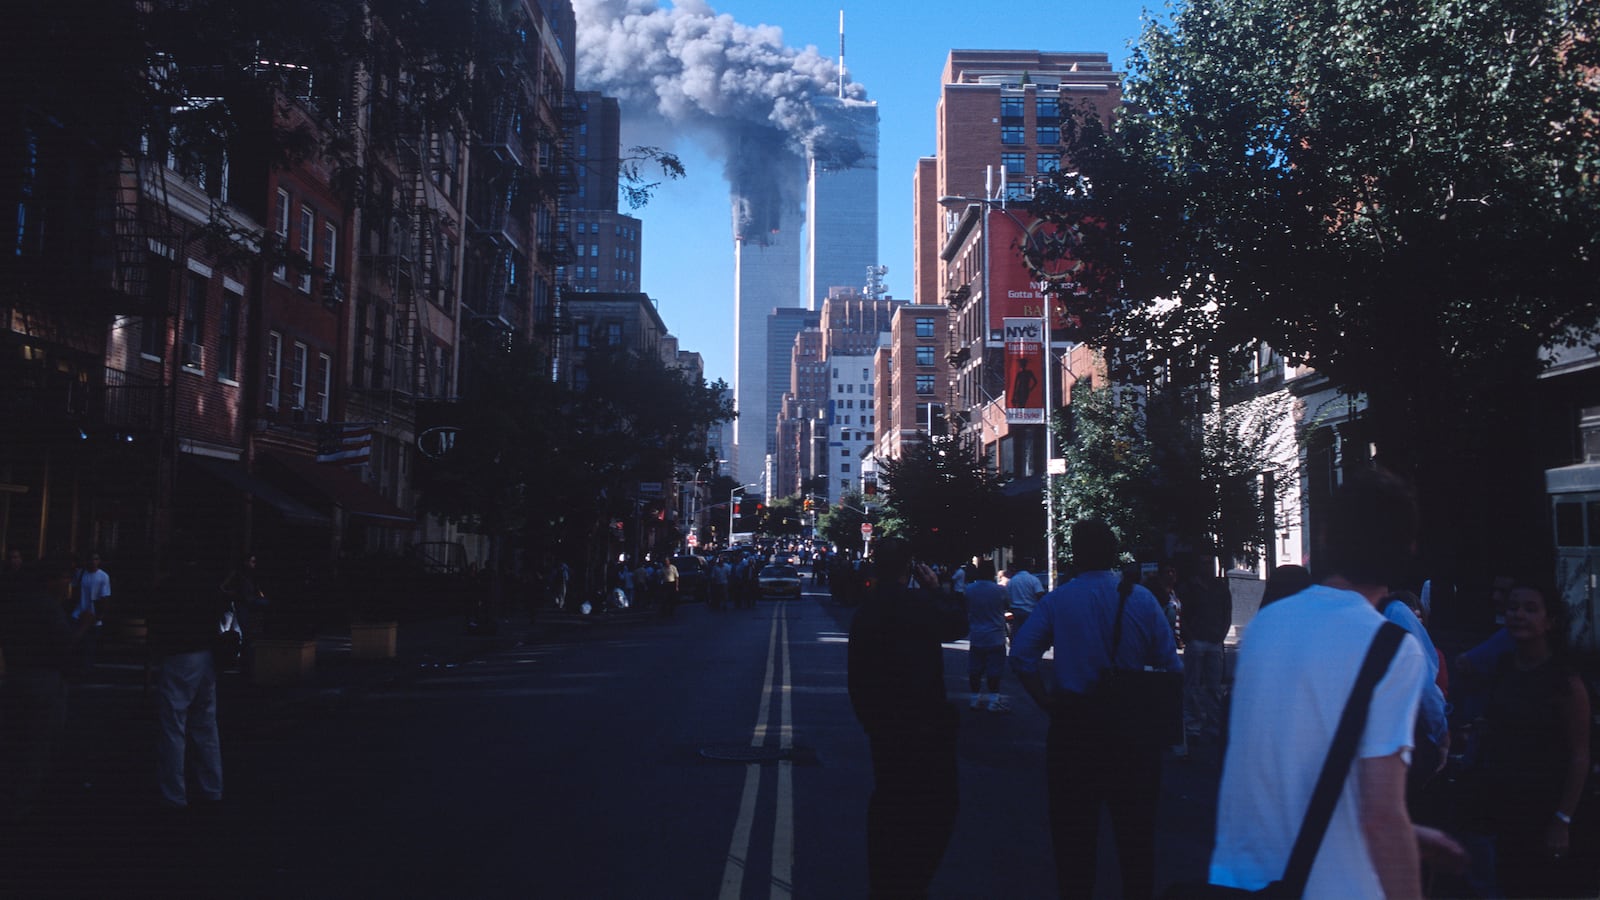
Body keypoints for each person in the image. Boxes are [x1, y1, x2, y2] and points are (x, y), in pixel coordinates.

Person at [1209, 468, 1465, 897]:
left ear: (1326, 538)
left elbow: (1284, 773)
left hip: (1242, 879)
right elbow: (1382, 815)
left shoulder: (1267, 625)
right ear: (1407, 550)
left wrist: (1409, 834)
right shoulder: (1390, 648)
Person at [1011, 520, 1181, 899]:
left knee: (1074, 841)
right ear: (1112, 553)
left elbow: (1022, 657)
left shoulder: (1059, 600)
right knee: (1136, 839)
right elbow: (1171, 665)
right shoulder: (1141, 599)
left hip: (1075, 727)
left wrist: (1046, 702)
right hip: (1132, 731)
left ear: (1076, 555)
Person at [847, 538, 969, 898]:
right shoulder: (918, 604)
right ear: (910, 568)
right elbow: (958, 626)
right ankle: (912, 882)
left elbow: (857, 675)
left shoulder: (866, 609)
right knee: (936, 807)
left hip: (884, 727)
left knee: (889, 802)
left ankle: (886, 883)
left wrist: (870, 721)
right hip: (925, 725)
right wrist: (938, 589)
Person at [1463, 581, 1591, 898]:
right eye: (1513, 607)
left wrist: (1562, 819)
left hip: (1547, 810)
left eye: (1530, 609)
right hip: (1508, 810)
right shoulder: (1505, 668)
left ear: (1550, 621)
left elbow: (1580, 754)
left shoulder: (1565, 681)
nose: (1519, 615)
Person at [0, 560, 89, 824]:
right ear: (50, 580)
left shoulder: (15, 605)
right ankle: (24, 801)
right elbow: (64, 644)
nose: (68, 584)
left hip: (17, 675)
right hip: (45, 678)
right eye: (64, 577)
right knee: (39, 742)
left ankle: (10, 796)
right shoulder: (49, 608)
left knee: (15, 739)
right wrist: (84, 626)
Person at [146, 542, 227, 810]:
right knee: (205, 723)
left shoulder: (167, 587)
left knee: (173, 725)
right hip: (207, 654)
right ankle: (212, 787)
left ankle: (174, 794)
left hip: (179, 654)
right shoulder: (210, 585)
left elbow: (156, 623)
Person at [1177, 556, 1229, 749]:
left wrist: (1222, 633)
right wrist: (1190, 636)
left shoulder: (1220, 586)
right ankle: (1193, 728)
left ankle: (1213, 727)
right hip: (1197, 641)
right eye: (1203, 562)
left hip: (1214, 641)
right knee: (1193, 687)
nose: (1207, 566)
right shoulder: (1188, 587)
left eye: (1209, 562)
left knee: (1214, 688)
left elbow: (1226, 611)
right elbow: (1181, 613)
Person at [963, 559, 1010, 712]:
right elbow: (1007, 605)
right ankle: (994, 700)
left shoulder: (969, 589)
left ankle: (975, 699)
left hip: (976, 634)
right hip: (995, 635)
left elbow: (966, 608)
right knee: (994, 671)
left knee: (975, 670)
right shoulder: (1000, 590)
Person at [1006, 557, 1045, 636]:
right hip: (1030, 612)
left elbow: (1007, 597)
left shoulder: (1012, 581)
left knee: (1016, 634)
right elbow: (1040, 595)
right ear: (1029, 567)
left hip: (1015, 612)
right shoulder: (1033, 579)